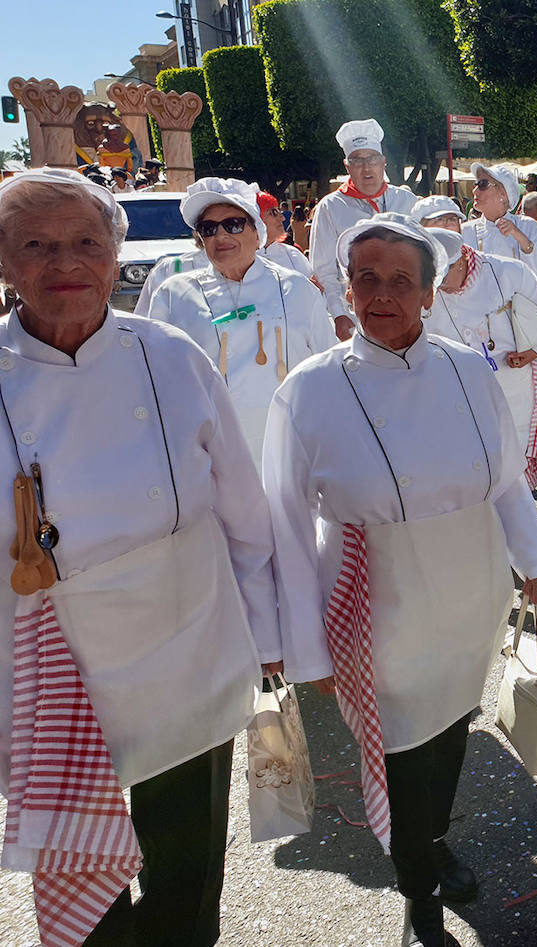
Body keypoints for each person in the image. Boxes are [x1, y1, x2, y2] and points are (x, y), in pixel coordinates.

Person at [0, 167, 280, 945]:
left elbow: (242, 509)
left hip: (189, 644)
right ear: (4, 263)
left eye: (87, 241)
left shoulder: (170, 353)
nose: (66, 262)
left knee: (187, 865)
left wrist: (269, 640)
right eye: (36, 245)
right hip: (53, 670)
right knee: (81, 877)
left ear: (113, 251)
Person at [264, 214, 537, 947]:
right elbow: (287, 528)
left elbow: (506, 475)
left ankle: (430, 842)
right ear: (346, 286)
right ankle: (417, 884)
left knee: (452, 733)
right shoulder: (307, 390)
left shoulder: (467, 367)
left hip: (470, 590)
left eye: (402, 281)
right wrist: (306, 650)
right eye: (367, 278)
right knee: (397, 753)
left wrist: (535, 557)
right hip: (374, 601)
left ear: (430, 292)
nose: (383, 295)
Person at [146, 177, 336, 464]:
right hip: (208, 456)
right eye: (208, 229)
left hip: (290, 452)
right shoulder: (173, 295)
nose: (221, 235)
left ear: (257, 234)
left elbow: (328, 369)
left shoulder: (296, 289)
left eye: (233, 224)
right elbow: (155, 377)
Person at [421, 223, 537, 489]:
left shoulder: (508, 271)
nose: (438, 286)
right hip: (457, 393)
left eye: (443, 276)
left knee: (512, 462)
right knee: (469, 464)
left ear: (463, 258)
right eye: (433, 278)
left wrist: (535, 353)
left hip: (512, 385)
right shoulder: (426, 288)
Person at [309, 119, 418, 340]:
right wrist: (338, 314)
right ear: (347, 166)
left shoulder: (406, 200)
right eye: (357, 161)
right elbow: (324, 270)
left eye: (373, 159)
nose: (366, 167)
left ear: (383, 162)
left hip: (405, 307)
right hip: (356, 313)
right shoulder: (330, 207)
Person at [464, 162, 537, 284]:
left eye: (482, 184)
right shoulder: (465, 231)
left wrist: (521, 238)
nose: (474, 190)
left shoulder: (529, 226)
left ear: (503, 194)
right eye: (476, 184)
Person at [255, 188, 313, 277]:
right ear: (256, 218)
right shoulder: (239, 261)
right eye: (274, 212)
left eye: (279, 211)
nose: (282, 218)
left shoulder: (293, 255)